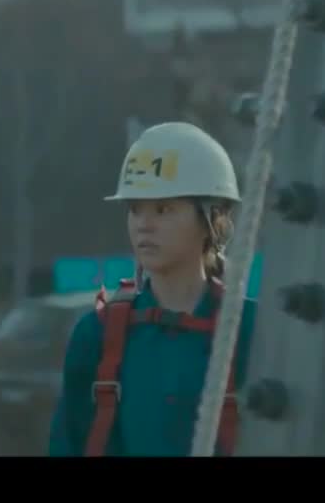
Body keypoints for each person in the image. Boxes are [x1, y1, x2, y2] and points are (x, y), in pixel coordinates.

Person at [48, 122, 257, 457]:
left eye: (164, 209)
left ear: (211, 220)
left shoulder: (252, 330)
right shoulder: (98, 335)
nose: (144, 225)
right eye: (135, 210)